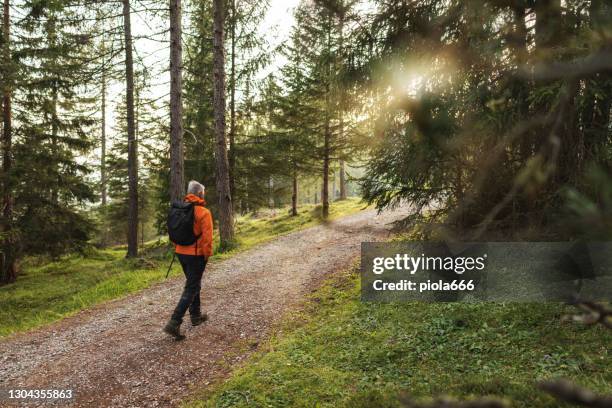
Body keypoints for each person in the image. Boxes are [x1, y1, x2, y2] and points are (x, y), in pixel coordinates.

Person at [164, 180, 213, 340]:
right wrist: (206, 255)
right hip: (196, 255)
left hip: (180, 253)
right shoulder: (203, 212)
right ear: (200, 193)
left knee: (194, 282)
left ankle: (196, 316)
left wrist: (179, 248)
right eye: (203, 192)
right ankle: (174, 322)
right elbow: (207, 239)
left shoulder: (179, 209)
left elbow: (173, 231)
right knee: (192, 287)